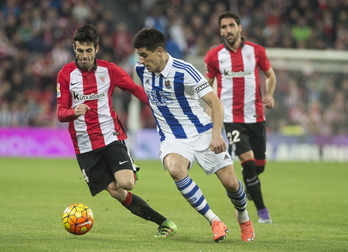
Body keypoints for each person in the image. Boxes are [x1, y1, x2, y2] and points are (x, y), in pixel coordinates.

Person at [132, 27, 255, 242]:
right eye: (139, 55)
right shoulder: (142, 70)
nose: (140, 61)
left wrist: (216, 134)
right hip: (173, 138)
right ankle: (214, 221)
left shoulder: (185, 71)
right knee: (175, 169)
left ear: (159, 51)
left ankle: (243, 218)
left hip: (202, 132)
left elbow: (215, 103)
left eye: (144, 55)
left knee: (231, 184)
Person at [56, 24, 177, 237]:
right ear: (74, 49)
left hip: (110, 136)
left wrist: (159, 107)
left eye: (88, 50)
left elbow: (134, 88)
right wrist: (75, 111)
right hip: (84, 146)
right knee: (115, 191)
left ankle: (129, 168)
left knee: (127, 183)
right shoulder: (65, 74)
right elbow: (60, 113)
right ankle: (165, 223)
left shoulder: (108, 70)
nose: (84, 56)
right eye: (80, 51)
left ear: (97, 48)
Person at [204, 11, 276, 223]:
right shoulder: (213, 56)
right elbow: (206, 86)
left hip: (255, 116)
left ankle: (247, 188)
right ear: (220, 31)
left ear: (240, 27)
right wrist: (209, 108)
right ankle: (262, 212)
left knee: (258, 166)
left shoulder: (256, 51)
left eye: (231, 26)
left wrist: (269, 94)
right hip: (231, 118)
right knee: (247, 161)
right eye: (224, 27)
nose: (228, 30)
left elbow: (270, 75)